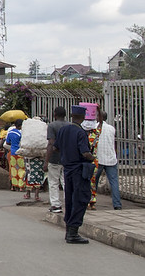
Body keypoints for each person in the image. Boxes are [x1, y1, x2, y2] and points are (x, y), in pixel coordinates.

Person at [54, 105, 94, 244]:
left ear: (71, 116)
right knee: (81, 199)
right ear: (83, 117)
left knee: (69, 199)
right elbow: (85, 153)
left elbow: (55, 147)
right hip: (78, 170)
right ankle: (73, 232)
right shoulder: (80, 132)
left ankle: (68, 231)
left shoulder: (63, 130)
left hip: (67, 168)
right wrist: (92, 158)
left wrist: (67, 154)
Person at [94, 110, 122, 210]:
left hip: (98, 158)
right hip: (110, 158)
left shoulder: (94, 128)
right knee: (114, 182)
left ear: (98, 117)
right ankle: (117, 204)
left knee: (94, 181)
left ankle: (91, 201)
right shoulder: (111, 128)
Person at [43, 107, 68, 213]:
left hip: (54, 158)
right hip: (67, 158)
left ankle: (56, 205)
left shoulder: (52, 126)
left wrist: (46, 161)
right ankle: (69, 203)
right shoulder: (70, 126)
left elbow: (51, 143)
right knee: (66, 182)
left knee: (53, 182)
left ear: (54, 114)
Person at [5, 120, 26, 192]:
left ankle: (13, 186)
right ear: (20, 126)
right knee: (21, 169)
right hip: (20, 153)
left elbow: (7, 142)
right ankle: (20, 187)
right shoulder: (21, 133)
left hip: (12, 153)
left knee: (13, 169)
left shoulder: (10, 132)